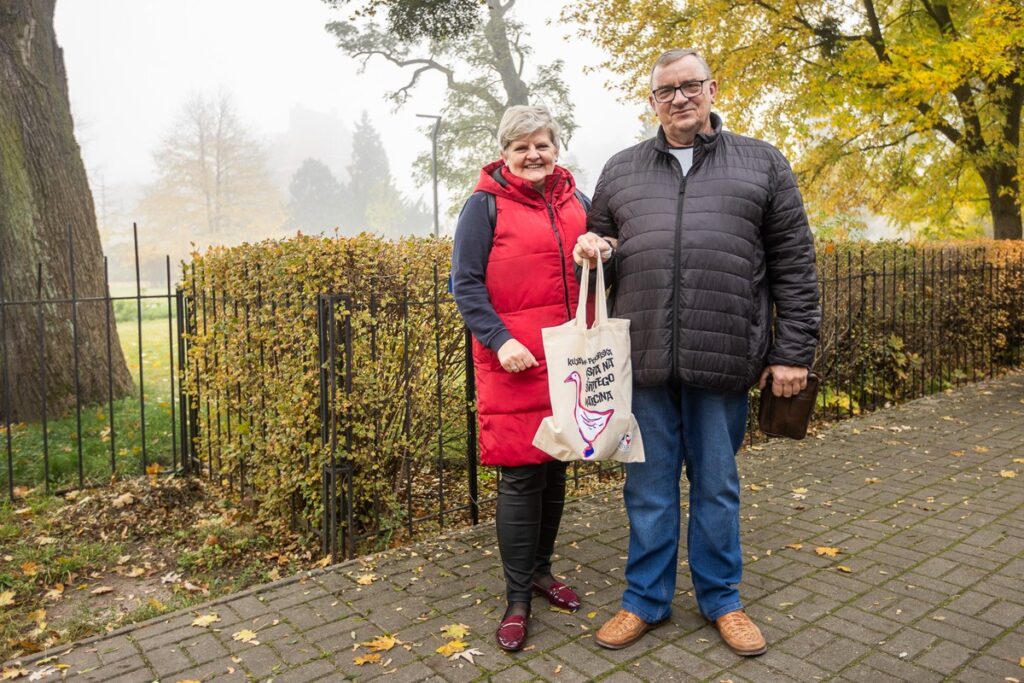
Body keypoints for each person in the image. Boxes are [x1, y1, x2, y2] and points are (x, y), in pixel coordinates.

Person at [573, 48, 820, 657]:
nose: (679, 98)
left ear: (713, 88)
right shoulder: (622, 168)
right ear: (651, 101)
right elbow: (599, 249)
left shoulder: (761, 163)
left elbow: (794, 264)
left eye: (690, 86)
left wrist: (792, 352)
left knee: (717, 485)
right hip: (646, 359)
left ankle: (723, 601)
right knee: (648, 488)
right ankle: (644, 601)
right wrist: (590, 250)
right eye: (666, 91)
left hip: (725, 356)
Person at [451, 105, 597, 652]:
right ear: (505, 154)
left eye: (542, 145)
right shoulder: (483, 207)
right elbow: (464, 284)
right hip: (515, 363)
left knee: (555, 470)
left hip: (568, 360)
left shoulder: (578, 202)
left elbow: (598, 269)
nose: (533, 155)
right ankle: (516, 598)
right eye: (521, 148)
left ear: (556, 149)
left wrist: (601, 250)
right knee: (520, 478)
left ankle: (541, 572)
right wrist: (501, 339)